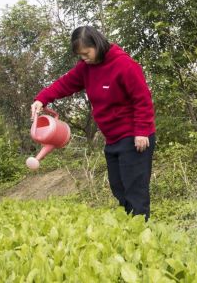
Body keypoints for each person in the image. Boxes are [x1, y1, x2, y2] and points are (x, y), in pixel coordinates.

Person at [31, 26, 156, 220]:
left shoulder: (124, 65)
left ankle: (142, 231)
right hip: (113, 138)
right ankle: (130, 226)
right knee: (118, 186)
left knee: (135, 189)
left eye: (86, 53)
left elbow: (143, 100)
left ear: (96, 45)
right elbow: (65, 84)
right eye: (80, 55)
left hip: (134, 136)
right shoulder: (86, 68)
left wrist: (142, 131)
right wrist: (42, 99)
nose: (84, 58)